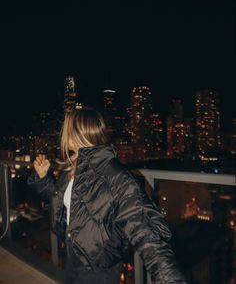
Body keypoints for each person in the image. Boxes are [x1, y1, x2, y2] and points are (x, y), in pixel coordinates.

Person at [27, 107, 187, 284]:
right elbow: (70, 206)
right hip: (73, 255)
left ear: (78, 133)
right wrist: (44, 179)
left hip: (98, 267)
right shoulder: (71, 167)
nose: (62, 134)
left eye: (66, 129)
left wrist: (170, 280)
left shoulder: (114, 175)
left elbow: (145, 231)